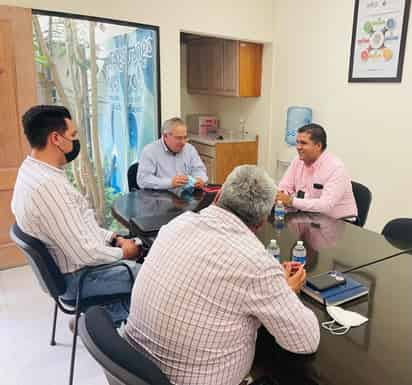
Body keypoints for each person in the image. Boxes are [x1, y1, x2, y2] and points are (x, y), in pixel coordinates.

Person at [125, 165, 320, 385]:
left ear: (217, 196)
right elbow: (305, 341)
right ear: (262, 221)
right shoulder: (255, 262)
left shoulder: (177, 224)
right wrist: (286, 291)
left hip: (134, 367)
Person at [11, 105, 141, 324]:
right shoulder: (49, 187)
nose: (75, 141)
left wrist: (114, 238)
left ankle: (103, 315)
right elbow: (86, 254)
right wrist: (125, 253)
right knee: (158, 279)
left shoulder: (31, 171)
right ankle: (98, 321)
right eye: (72, 135)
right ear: (56, 139)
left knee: (139, 254)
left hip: (73, 269)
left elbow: (77, 225)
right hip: (80, 279)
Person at [276, 123, 357, 220]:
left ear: (318, 145)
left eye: (303, 143)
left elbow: (325, 205)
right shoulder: (297, 160)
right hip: (310, 218)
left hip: (340, 222)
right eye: (297, 142)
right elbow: (284, 186)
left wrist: (291, 201)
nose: (298, 147)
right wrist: (283, 195)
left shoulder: (336, 168)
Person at [136, 117, 208, 190]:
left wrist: (200, 179)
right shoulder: (150, 151)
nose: (183, 142)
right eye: (179, 138)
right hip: (160, 197)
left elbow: (199, 169)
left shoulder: (189, 149)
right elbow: (143, 180)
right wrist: (170, 183)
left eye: (185, 137)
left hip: (185, 196)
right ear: (165, 136)